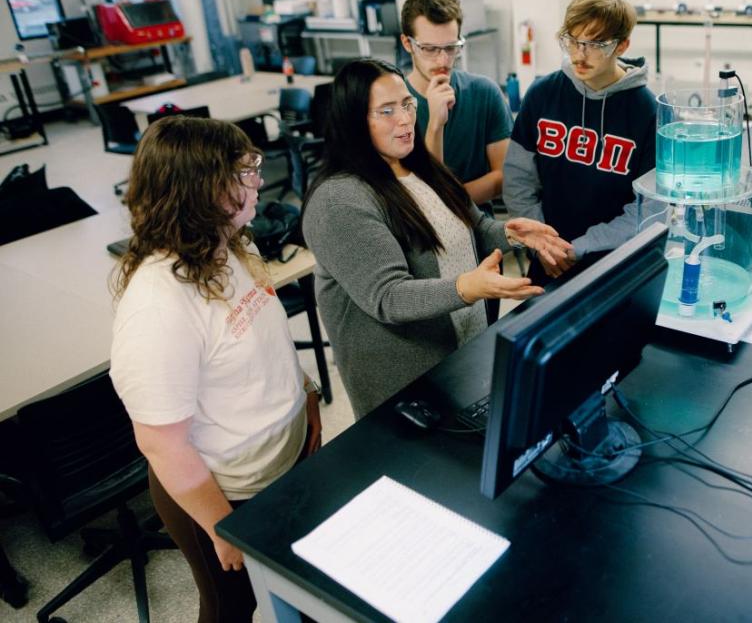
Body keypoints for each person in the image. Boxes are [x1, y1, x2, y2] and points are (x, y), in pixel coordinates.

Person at [110, 117, 322, 623]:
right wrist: (220, 526)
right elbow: (161, 442)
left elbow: (267, 339)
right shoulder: (158, 306)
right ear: (201, 191)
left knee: (293, 582)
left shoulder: (229, 245)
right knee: (232, 607)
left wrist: (308, 398)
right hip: (222, 491)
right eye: (244, 171)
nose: (258, 180)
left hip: (281, 462)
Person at [302, 59, 571, 419]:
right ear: (353, 121)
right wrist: (467, 288)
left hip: (464, 355)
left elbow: (473, 226)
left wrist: (512, 234)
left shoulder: (421, 166)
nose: (405, 119)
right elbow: (389, 296)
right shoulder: (340, 199)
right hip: (407, 391)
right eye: (386, 110)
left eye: (407, 104)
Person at [503, 0, 658, 284]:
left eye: (596, 44)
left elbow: (648, 209)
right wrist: (543, 245)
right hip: (546, 260)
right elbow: (518, 180)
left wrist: (578, 249)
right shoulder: (542, 94)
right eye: (572, 41)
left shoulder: (647, 111)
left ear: (622, 45)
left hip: (613, 266)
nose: (579, 54)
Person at [399, 0, 512, 211]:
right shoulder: (393, 106)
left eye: (451, 47)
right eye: (429, 49)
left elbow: (504, 177)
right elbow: (411, 194)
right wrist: (435, 124)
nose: (442, 60)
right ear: (407, 44)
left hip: (479, 233)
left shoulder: (484, 93)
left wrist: (448, 202)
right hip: (417, 236)